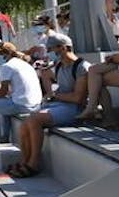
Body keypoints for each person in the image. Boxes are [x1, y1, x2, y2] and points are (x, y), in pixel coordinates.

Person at [8, 33, 90, 177]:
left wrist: (54, 95)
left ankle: (33, 163)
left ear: (63, 48)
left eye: (52, 50)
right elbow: (54, 83)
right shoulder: (59, 66)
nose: (50, 54)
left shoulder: (81, 67)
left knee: (34, 120)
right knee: (25, 123)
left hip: (74, 109)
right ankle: (24, 161)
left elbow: (78, 98)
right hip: (61, 104)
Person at [0, 41, 44, 145]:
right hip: (36, 105)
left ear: (7, 54)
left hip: (22, 105)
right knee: (4, 106)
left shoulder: (6, 66)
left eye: (0, 54)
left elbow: (2, 92)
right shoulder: (26, 65)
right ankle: (4, 139)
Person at [75, 0, 119, 125]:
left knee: (97, 80)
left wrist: (114, 58)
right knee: (93, 71)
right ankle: (92, 108)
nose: (118, 13)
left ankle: (102, 114)